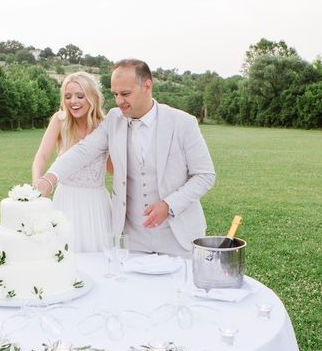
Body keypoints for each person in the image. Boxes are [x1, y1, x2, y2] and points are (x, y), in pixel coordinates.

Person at [35, 59, 215, 256]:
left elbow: (205, 175)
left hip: (179, 237)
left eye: (125, 94)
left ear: (147, 86)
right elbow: (83, 151)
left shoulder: (183, 123)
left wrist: (168, 205)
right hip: (133, 239)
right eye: (115, 94)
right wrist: (49, 179)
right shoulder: (114, 119)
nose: (119, 101)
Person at [32, 71, 113, 252]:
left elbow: (112, 168)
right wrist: (37, 183)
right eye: (68, 96)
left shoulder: (105, 125)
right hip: (66, 200)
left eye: (80, 96)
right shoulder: (60, 121)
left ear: (92, 97)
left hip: (96, 203)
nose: (73, 102)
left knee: (99, 256)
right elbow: (42, 156)